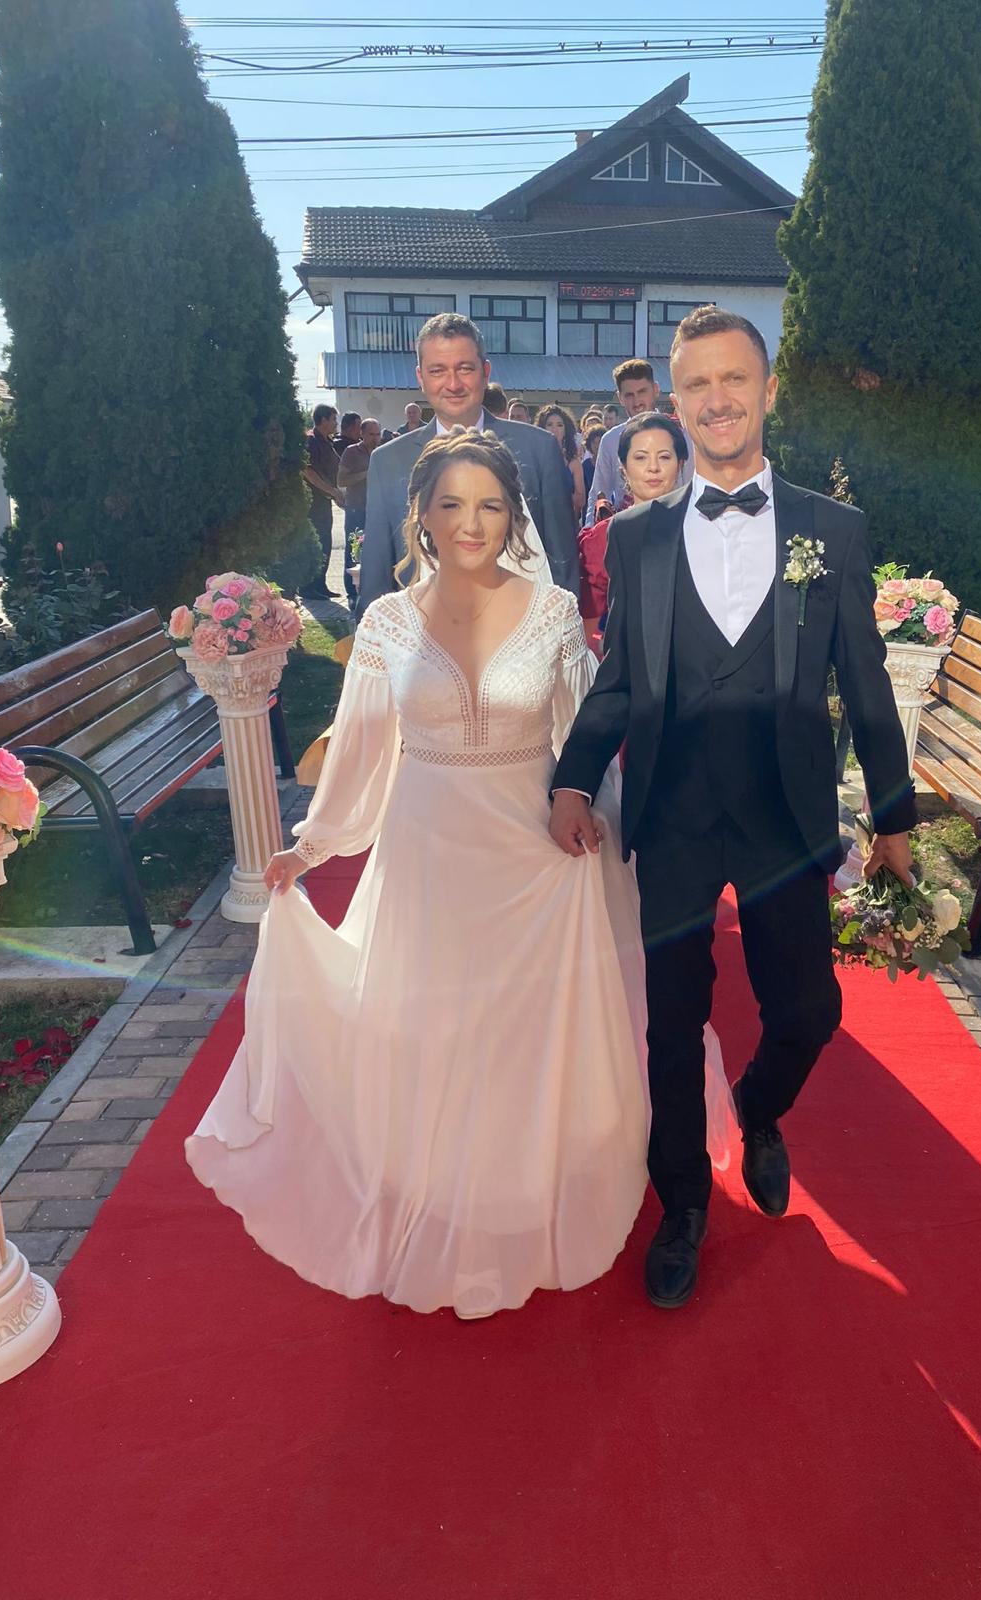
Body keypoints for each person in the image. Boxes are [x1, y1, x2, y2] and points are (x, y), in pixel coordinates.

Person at [185, 430, 721, 1320]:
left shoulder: (553, 611)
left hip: (537, 857)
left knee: (525, 1033)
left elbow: (583, 737)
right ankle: (446, 1192)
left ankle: (531, 1190)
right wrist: (311, 846)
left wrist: (605, 816)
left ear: (513, 516)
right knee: (435, 1024)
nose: (471, 523)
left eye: (490, 505)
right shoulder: (388, 622)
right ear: (421, 516)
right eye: (451, 504)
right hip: (428, 858)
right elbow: (363, 750)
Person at [550, 306, 917, 1311]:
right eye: (698, 384)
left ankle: (756, 1108)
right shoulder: (636, 535)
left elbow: (868, 684)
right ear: (676, 402)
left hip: (783, 813)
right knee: (673, 1021)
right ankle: (682, 1206)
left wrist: (893, 817)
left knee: (810, 1009)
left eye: (735, 379)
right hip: (672, 812)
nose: (717, 400)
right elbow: (620, 679)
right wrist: (573, 778)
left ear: (767, 391)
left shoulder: (831, 530)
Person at [357, 313, 578, 609]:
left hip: (522, 627)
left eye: (465, 369)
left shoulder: (538, 450)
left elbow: (562, 561)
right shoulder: (388, 461)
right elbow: (376, 575)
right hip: (421, 631)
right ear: (421, 377)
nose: (453, 384)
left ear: (485, 372)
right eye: (438, 371)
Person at [579, 412, 686, 647]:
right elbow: (590, 632)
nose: (653, 468)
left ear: (680, 464)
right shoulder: (602, 540)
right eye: (640, 458)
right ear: (623, 467)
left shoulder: (699, 531)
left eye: (664, 457)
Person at [586, 360, 693, 523]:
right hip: (627, 528)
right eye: (629, 395)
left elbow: (692, 485)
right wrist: (590, 533)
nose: (637, 402)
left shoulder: (681, 432)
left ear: (655, 390)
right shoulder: (610, 440)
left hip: (677, 523)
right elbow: (598, 493)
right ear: (620, 398)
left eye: (642, 392)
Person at [337, 417, 383, 607]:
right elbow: (341, 480)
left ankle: (372, 589)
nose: (375, 438)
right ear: (362, 434)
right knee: (354, 550)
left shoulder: (383, 452)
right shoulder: (351, 452)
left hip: (377, 510)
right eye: (371, 434)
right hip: (357, 508)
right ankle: (351, 592)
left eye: (377, 434)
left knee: (377, 550)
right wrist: (366, 473)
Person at [302, 403, 345, 600]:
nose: (336, 423)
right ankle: (308, 587)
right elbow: (308, 471)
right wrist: (331, 491)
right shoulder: (311, 440)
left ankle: (320, 584)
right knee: (315, 543)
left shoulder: (327, 441)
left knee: (325, 542)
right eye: (333, 419)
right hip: (313, 502)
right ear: (323, 420)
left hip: (324, 501)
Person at [536, 403, 586, 525]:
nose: (554, 429)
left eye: (559, 425)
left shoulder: (573, 461)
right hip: (540, 522)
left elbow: (581, 500)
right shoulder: (535, 459)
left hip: (566, 523)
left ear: (566, 429)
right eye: (549, 424)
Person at [581, 423, 605, 503]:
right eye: (594, 442)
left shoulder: (610, 464)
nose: (597, 446)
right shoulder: (585, 465)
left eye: (599, 442)